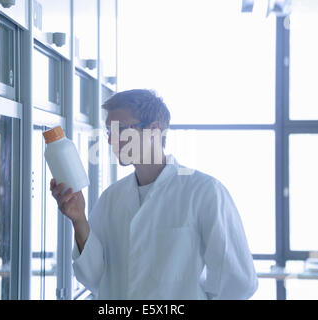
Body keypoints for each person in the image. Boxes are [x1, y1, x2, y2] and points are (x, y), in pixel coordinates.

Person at [50, 89, 258, 299]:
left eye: (120, 129)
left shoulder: (204, 192)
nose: (111, 140)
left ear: (154, 130)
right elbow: (93, 276)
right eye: (108, 131)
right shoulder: (111, 198)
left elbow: (239, 282)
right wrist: (79, 219)